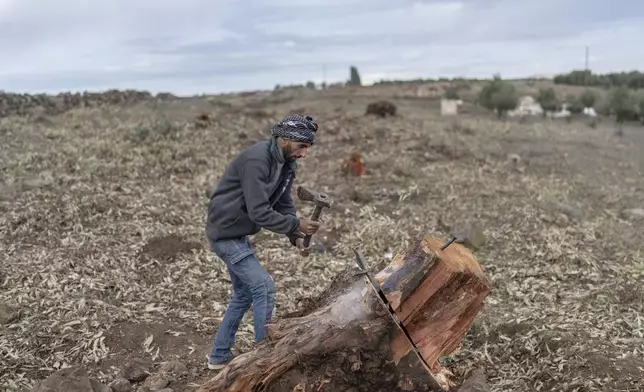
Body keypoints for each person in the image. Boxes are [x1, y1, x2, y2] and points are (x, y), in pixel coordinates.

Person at [204, 114, 321, 369]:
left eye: (307, 148)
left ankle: (218, 357)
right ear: (283, 139)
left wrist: (295, 236)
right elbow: (259, 212)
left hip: (238, 232)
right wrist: (297, 223)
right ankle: (263, 359)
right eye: (301, 146)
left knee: (244, 294)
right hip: (225, 234)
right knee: (263, 286)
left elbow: (282, 203)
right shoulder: (257, 160)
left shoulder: (287, 164)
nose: (304, 154)